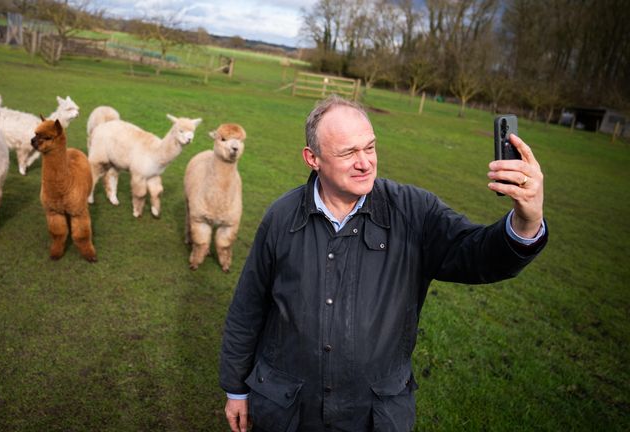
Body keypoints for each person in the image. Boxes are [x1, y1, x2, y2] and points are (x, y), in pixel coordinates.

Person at [219, 95, 547, 432]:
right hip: (287, 413)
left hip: (374, 417)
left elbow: (478, 255)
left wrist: (526, 221)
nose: (365, 163)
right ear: (312, 158)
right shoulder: (281, 217)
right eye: (348, 152)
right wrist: (235, 388)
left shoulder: (413, 211)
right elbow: (248, 307)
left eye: (370, 148)